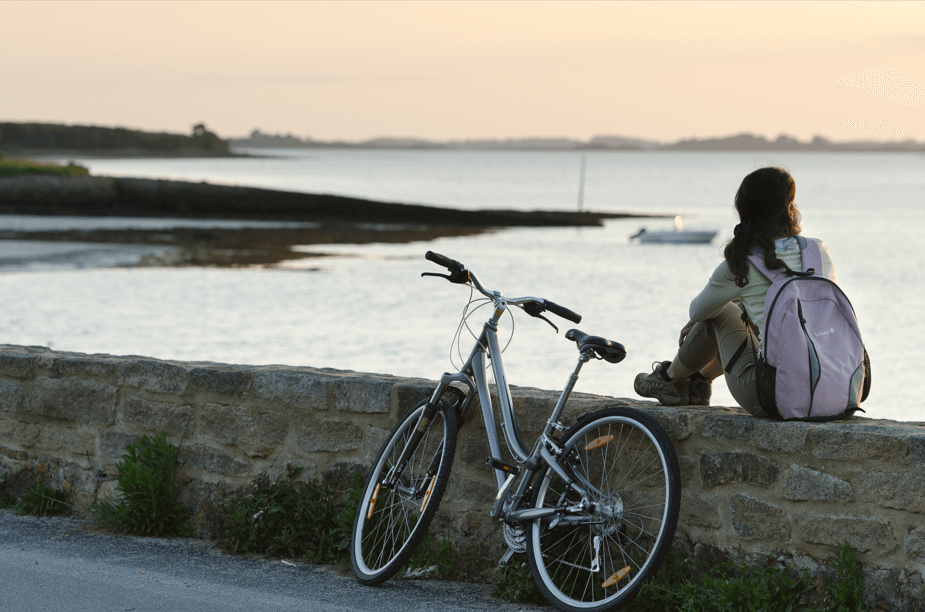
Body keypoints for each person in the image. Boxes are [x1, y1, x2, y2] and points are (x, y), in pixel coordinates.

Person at [633, 166, 836, 416]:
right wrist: (744, 302)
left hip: (773, 397)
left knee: (722, 311)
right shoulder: (818, 251)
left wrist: (722, 307)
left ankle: (668, 379)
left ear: (745, 210)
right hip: (831, 390)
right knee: (744, 308)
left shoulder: (742, 263)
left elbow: (697, 311)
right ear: (789, 207)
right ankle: (699, 381)